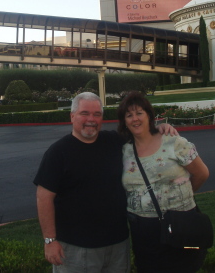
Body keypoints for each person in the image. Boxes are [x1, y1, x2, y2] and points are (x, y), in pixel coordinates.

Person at [34, 91, 177, 273]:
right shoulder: (58, 153)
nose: (91, 119)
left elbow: (143, 134)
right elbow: (43, 198)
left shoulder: (115, 142)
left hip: (118, 246)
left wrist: (161, 128)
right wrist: (49, 240)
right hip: (76, 249)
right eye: (84, 113)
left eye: (97, 114)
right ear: (72, 116)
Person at [117, 91, 210, 273]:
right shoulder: (123, 150)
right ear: (124, 121)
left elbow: (202, 174)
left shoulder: (173, 142)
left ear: (149, 116)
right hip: (143, 231)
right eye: (129, 115)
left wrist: (180, 198)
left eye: (139, 113)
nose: (135, 119)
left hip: (179, 224)